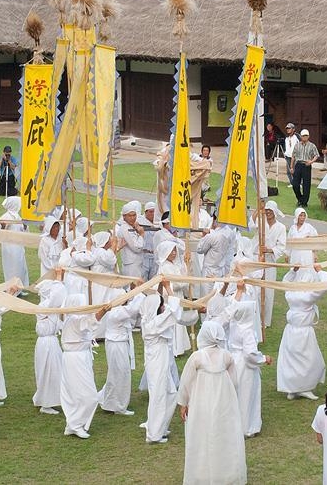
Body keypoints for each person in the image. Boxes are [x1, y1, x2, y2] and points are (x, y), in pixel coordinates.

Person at [177, 321, 247, 485]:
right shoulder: (226, 356)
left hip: (201, 401)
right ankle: (225, 473)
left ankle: (203, 473)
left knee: (202, 434)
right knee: (223, 433)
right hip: (223, 400)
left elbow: (186, 381)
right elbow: (234, 381)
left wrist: (183, 402)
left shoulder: (196, 357)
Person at [59, 292, 108, 439]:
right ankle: (75, 424)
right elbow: (92, 321)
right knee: (89, 396)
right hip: (76, 359)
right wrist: (104, 310)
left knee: (77, 394)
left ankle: (72, 425)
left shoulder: (72, 318)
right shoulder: (74, 319)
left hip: (79, 357)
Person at [139, 281, 183, 444]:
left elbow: (171, 313)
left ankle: (159, 427)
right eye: (161, 306)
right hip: (156, 363)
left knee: (170, 394)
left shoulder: (153, 321)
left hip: (161, 361)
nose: (164, 308)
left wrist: (162, 288)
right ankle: (153, 435)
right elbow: (174, 314)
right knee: (158, 396)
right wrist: (169, 288)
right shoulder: (152, 324)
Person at [278, 264, 327, 400]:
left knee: (294, 360)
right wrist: (320, 271)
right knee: (308, 359)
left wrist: (292, 271)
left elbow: (285, 282)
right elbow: (323, 287)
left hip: (291, 331)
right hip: (302, 332)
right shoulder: (307, 297)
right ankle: (301, 388)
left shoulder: (290, 293)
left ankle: (295, 388)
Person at [228, 282, 272, 437]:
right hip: (245, 366)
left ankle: (236, 425)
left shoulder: (234, 323)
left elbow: (233, 306)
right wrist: (264, 359)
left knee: (237, 394)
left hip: (234, 362)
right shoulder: (247, 331)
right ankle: (247, 427)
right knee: (247, 395)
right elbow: (250, 354)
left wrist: (240, 291)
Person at [252, 200, 287, 328]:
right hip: (257, 258)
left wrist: (269, 250)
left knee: (268, 291)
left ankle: (265, 320)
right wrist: (258, 209)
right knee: (255, 288)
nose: (268, 213)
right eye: (266, 210)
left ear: (275, 212)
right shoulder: (261, 222)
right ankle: (255, 318)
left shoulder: (281, 228)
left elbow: (282, 246)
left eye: (270, 210)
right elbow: (250, 225)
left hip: (270, 260)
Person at [33, 279, 65, 415]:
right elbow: (59, 293)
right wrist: (58, 278)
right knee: (47, 370)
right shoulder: (45, 305)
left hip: (51, 341)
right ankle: (46, 403)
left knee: (54, 370)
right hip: (46, 343)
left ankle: (49, 399)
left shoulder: (50, 305)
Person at [0, 196, 29, 291]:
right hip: (10, 247)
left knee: (21, 267)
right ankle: (11, 288)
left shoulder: (19, 217)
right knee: (11, 268)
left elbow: (25, 233)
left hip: (19, 246)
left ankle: (19, 287)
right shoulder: (5, 217)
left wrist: (25, 226)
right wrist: (3, 227)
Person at [115, 201, 147, 278]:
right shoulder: (125, 228)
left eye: (134, 215)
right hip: (131, 265)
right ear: (124, 217)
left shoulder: (131, 226)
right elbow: (136, 247)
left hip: (137, 263)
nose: (133, 218)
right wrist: (141, 234)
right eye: (130, 216)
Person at [290, 128, 320, 207]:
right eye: (303, 136)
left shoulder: (312, 145)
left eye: (306, 136)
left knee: (306, 185)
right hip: (298, 164)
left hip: (307, 165)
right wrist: (291, 167)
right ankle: (300, 199)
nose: (304, 137)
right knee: (295, 184)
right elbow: (293, 156)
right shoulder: (297, 145)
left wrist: (311, 161)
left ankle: (304, 202)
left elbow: (316, 155)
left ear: (308, 136)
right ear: (301, 136)